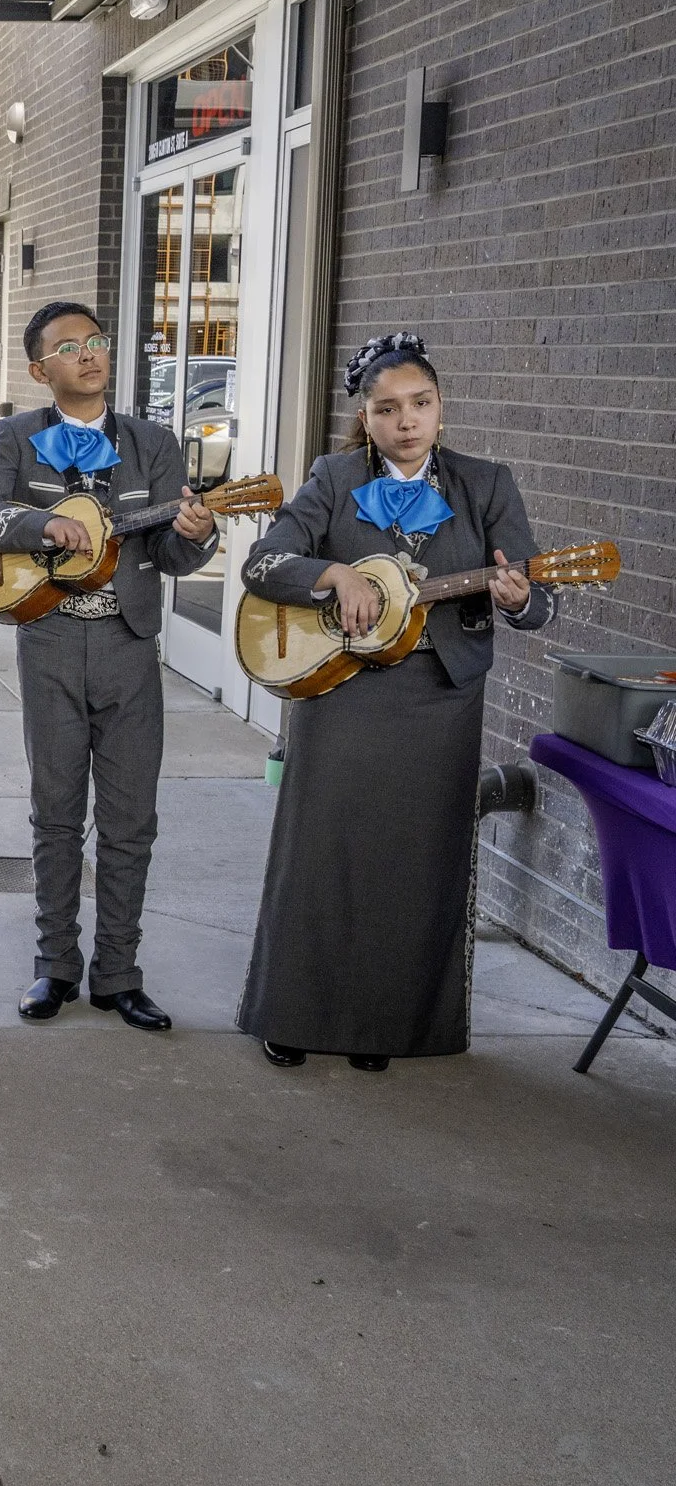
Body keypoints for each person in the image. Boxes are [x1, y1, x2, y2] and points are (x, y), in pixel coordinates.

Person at [237, 333, 555, 1071]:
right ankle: (293, 1015)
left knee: (412, 866)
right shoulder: (334, 476)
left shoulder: (488, 484)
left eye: (421, 404)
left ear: (441, 410)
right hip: (340, 688)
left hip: (440, 698)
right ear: (367, 417)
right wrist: (334, 575)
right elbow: (264, 561)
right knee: (321, 857)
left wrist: (520, 597)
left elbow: (539, 602)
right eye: (388, 409)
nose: (407, 420)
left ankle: (380, 1026)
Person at [0, 301, 217, 1031]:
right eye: (70, 347)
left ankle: (119, 974)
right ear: (41, 369)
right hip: (52, 644)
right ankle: (55, 966)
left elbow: (171, 553)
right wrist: (41, 524)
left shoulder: (153, 443)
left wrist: (200, 531)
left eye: (97, 340)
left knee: (132, 820)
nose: (90, 354)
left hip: (129, 648)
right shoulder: (18, 438)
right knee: (56, 813)